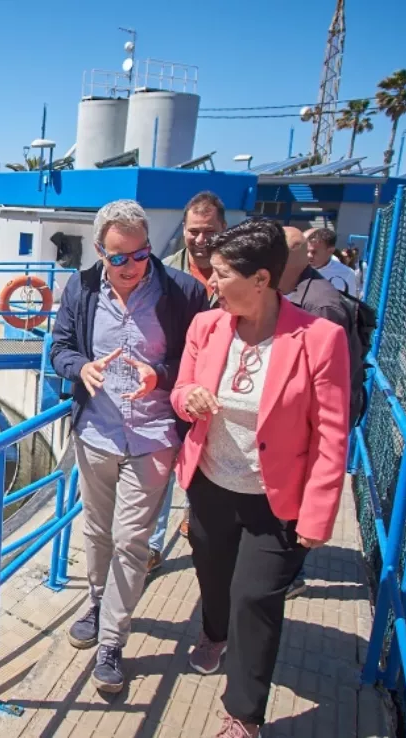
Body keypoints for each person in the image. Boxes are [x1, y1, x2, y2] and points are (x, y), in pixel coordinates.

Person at [172, 219, 350, 738]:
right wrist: (189, 399)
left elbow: (331, 435)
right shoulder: (206, 326)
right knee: (212, 574)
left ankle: (243, 714)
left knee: (256, 597)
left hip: (276, 500)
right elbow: (182, 388)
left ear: (261, 279)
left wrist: (318, 515)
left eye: (223, 273)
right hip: (210, 486)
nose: (211, 281)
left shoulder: (320, 339)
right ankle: (213, 631)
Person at [50, 199, 207, 693]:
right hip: (96, 432)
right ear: (100, 252)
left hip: (154, 436)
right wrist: (83, 368)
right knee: (96, 533)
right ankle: (97, 602)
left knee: (130, 540)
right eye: (118, 258)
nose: (130, 267)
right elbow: (59, 349)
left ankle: (112, 642)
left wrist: (157, 374)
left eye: (139, 255)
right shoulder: (80, 287)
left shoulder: (183, 292)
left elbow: (197, 363)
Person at [277, 226, 366, 598]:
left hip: (309, 426)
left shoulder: (320, 306)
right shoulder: (290, 292)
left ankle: (289, 575)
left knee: (294, 504)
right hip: (290, 422)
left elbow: (328, 388)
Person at [149, 191, 227, 563]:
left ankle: (195, 521)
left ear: (223, 228)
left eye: (209, 230)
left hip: (222, 393)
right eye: (194, 231)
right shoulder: (164, 273)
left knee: (208, 469)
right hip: (171, 386)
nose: (201, 239)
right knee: (161, 464)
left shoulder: (237, 272)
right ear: (184, 230)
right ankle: (152, 546)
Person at [305, 227, 359, 297]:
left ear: (330, 251)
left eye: (314, 252)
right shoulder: (297, 267)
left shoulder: (347, 274)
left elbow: (349, 303)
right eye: (307, 251)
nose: (309, 255)